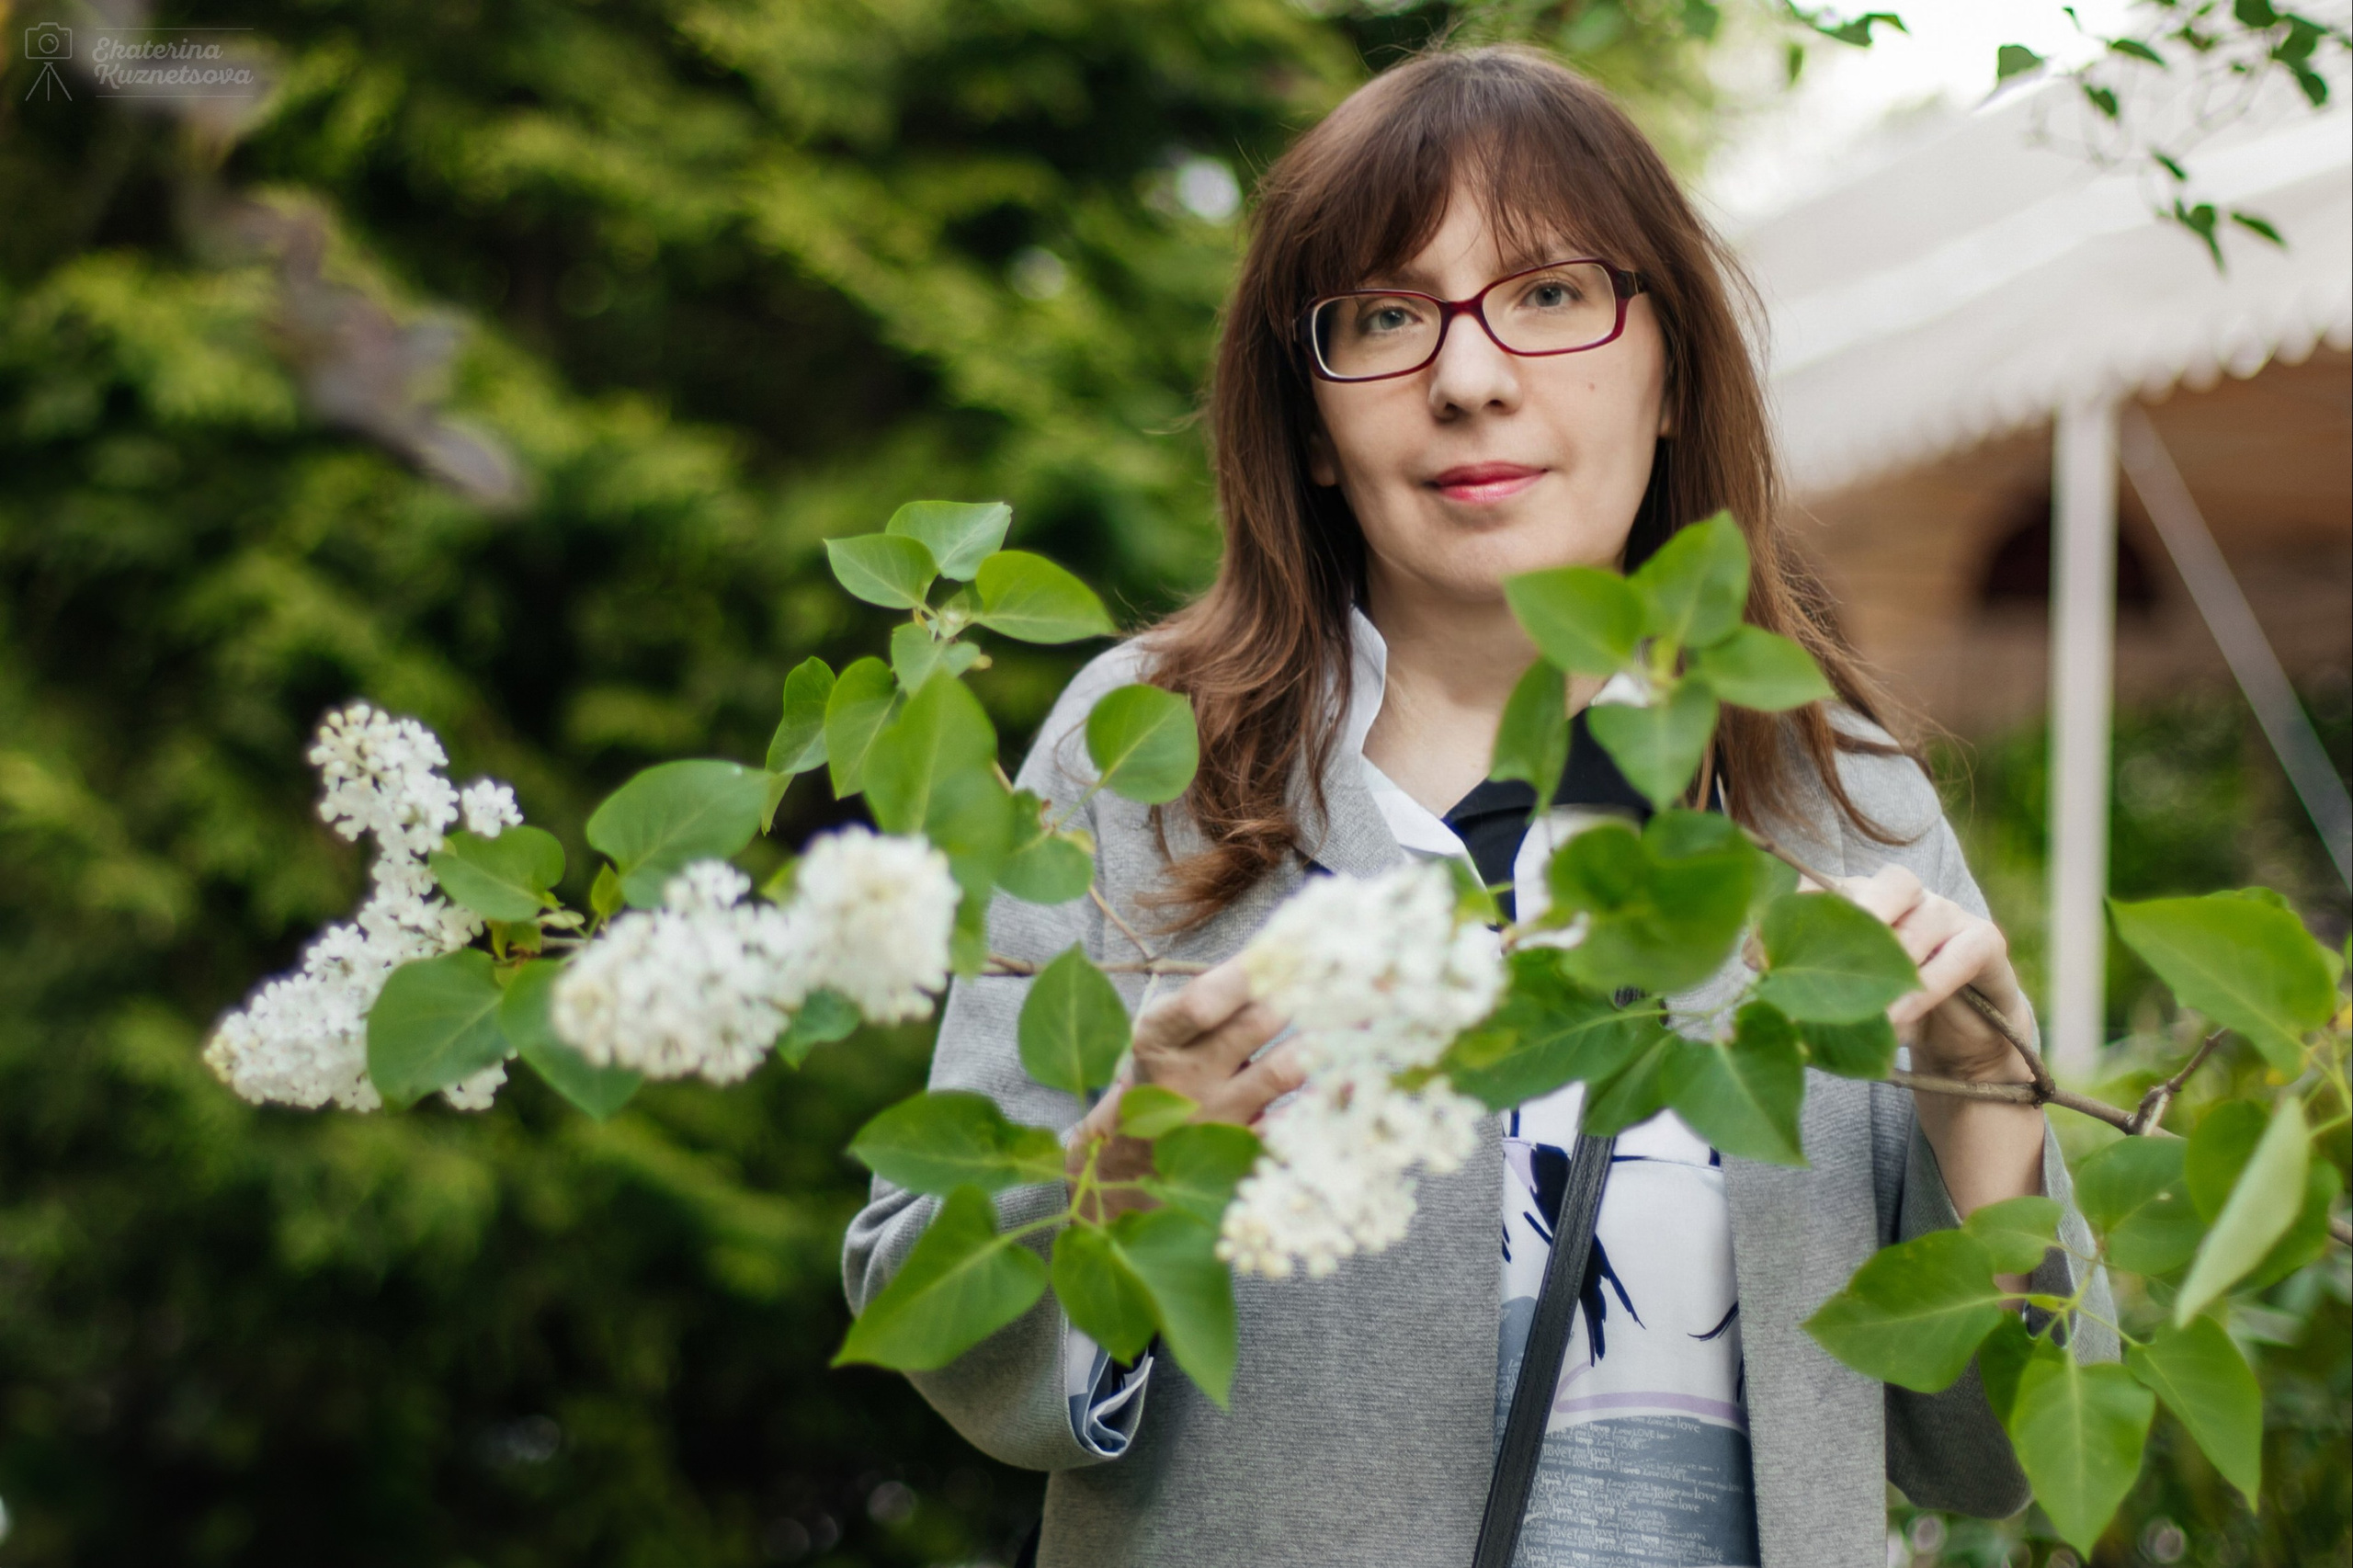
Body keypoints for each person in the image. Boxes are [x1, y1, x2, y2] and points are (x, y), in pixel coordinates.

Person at [845, 40, 2111, 1568]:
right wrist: (1129, 1157)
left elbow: (2009, 1449)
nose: (1467, 374)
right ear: (1312, 427)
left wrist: (1986, 1097)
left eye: (1553, 294)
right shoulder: (1148, 760)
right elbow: (935, 1319)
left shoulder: (1826, 794)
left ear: (1672, 376)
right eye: (1384, 315)